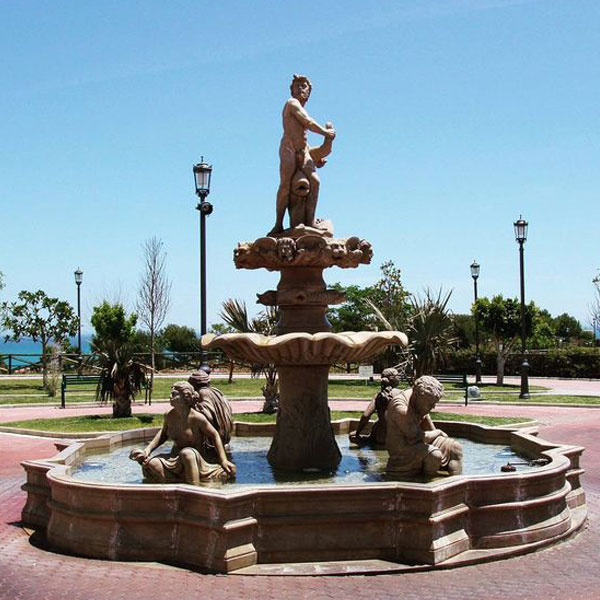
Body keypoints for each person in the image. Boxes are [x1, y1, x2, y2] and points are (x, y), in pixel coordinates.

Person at [130, 381, 236, 485]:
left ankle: (195, 488)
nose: (169, 396)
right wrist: (147, 451)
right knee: (153, 463)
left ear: (185, 397)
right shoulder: (169, 415)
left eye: (174, 394)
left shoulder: (197, 418)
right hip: (174, 459)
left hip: (194, 460)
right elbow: (162, 435)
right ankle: (167, 489)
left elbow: (214, 435)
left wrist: (223, 460)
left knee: (187, 453)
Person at [269, 74, 336, 236]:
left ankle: (311, 221)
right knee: (285, 185)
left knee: (315, 181)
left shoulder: (302, 106)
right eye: (296, 86)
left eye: (303, 86)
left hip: (303, 149)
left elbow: (303, 138)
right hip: (289, 149)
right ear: (291, 91)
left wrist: (316, 158)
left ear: (309, 92)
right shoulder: (291, 103)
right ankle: (278, 224)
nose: (300, 88)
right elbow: (308, 122)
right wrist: (326, 132)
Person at [385, 376, 463, 477]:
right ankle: (427, 484)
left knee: (455, 447)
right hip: (402, 451)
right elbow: (415, 437)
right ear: (417, 396)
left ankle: (456, 484)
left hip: (418, 443)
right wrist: (438, 432)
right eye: (430, 404)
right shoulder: (400, 407)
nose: (433, 407)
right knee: (434, 455)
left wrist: (441, 438)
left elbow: (429, 426)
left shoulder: (420, 400)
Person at [349, 368, 401, 447]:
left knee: (352, 436)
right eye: (398, 376)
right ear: (393, 379)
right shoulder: (401, 394)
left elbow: (366, 416)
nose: (399, 378)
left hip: (380, 437)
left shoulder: (378, 396)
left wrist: (357, 433)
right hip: (397, 438)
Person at [187, 371, 233, 457]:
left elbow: (207, 414)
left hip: (213, 439)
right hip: (224, 436)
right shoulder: (216, 391)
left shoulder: (200, 393)